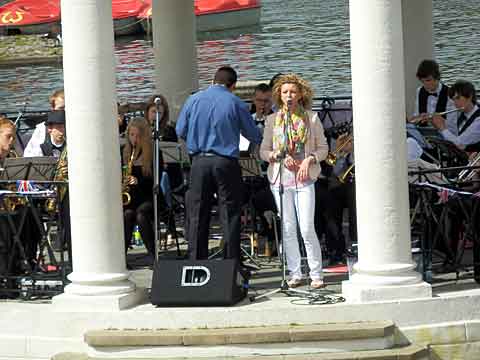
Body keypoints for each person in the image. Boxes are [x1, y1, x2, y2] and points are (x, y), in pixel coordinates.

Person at [176, 66, 262, 261]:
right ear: (233, 86)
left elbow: (180, 130)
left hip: (199, 161)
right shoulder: (235, 102)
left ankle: (196, 264)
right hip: (226, 162)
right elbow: (253, 135)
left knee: (198, 214)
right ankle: (230, 264)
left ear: (213, 81)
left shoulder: (193, 99)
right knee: (229, 213)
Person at [260, 73, 328, 289]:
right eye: (285, 92)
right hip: (281, 179)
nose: (289, 96)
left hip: (305, 179)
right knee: (288, 228)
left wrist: (310, 159)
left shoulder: (312, 118)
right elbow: (263, 150)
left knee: (307, 227)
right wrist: (274, 155)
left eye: (293, 92)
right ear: (279, 95)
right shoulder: (273, 120)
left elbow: (324, 148)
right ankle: (295, 272)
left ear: (300, 95)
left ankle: (316, 273)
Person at [122, 117, 167, 260]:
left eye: (138, 136)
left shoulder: (154, 153)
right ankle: (121, 258)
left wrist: (138, 181)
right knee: (127, 215)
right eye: (131, 135)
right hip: (131, 198)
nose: (134, 139)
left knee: (141, 215)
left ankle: (154, 256)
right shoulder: (125, 152)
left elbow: (155, 180)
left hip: (149, 196)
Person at [431, 80, 480, 151]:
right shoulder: (462, 112)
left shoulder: (478, 120)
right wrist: (437, 122)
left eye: (458, 98)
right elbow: (453, 131)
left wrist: (442, 127)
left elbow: (459, 143)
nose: (455, 103)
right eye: (453, 99)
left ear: (469, 96)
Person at [24, 89, 65, 157]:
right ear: (53, 109)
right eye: (61, 108)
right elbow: (30, 155)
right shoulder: (42, 128)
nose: (65, 111)